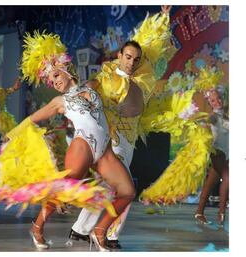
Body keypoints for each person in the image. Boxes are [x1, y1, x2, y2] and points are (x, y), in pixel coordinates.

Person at [0, 31, 135, 252]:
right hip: (82, 146)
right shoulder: (60, 101)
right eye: (50, 81)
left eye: (56, 75)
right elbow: (33, 118)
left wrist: (125, 64)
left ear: (66, 68)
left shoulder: (90, 86)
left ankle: (99, 231)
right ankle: (37, 227)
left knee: (127, 191)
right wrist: (13, 133)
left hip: (105, 152)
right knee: (64, 192)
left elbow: (111, 72)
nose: (54, 82)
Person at [68, 6, 173, 249]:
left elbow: (134, 107)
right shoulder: (107, 73)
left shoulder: (142, 79)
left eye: (136, 59)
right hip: (107, 135)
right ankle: (109, 234)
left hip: (126, 137)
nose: (131, 62)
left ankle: (80, 229)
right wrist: (84, 91)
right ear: (120, 55)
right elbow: (93, 85)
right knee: (122, 187)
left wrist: (164, 18)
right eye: (128, 57)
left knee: (108, 185)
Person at [193, 87, 229, 225]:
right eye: (213, 100)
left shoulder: (227, 115)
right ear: (209, 103)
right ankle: (222, 213)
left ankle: (199, 212)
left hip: (226, 155)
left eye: (219, 98)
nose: (217, 102)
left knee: (210, 183)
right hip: (217, 153)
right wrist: (202, 124)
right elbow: (206, 121)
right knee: (228, 178)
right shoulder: (213, 116)